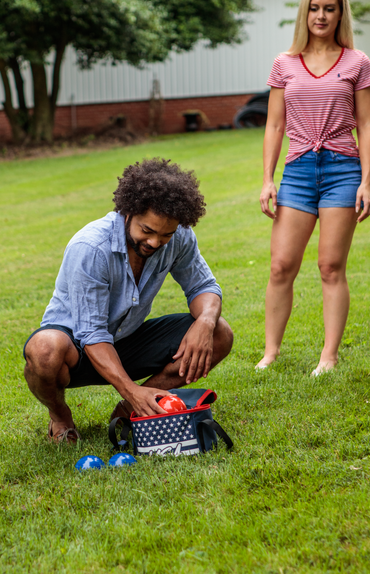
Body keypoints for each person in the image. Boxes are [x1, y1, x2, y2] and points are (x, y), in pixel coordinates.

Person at [24, 158, 233, 443]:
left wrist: (206, 321)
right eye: (147, 231)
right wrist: (131, 389)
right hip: (75, 349)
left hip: (127, 341)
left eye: (165, 235)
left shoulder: (180, 236)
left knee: (220, 332)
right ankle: (61, 416)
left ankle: (128, 411)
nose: (155, 242)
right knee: (44, 350)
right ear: (127, 212)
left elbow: (203, 286)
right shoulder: (91, 247)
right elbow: (92, 333)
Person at [255, 0, 370, 376]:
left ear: (340, 13)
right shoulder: (284, 63)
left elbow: (367, 126)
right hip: (299, 171)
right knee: (280, 265)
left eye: (329, 8)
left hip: (343, 170)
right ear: (304, 12)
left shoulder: (357, 62)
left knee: (330, 266)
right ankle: (271, 353)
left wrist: (366, 181)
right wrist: (268, 179)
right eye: (314, 7)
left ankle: (329, 355)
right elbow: (274, 125)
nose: (320, 15)